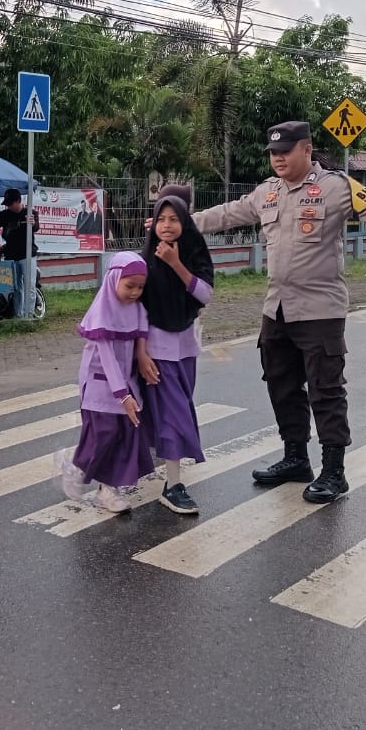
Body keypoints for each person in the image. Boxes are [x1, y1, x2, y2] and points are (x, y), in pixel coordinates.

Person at [186, 120, 366, 504]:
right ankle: (295, 458)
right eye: (273, 153)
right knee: (281, 385)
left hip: (320, 310)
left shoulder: (336, 187)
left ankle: (334, 471)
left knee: (326, 390)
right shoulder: (268, 192)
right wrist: (180, 222)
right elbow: (228, 213)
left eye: (285, 151)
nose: (278, 159)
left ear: (306, 149)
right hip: (277, 308)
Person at [136, 186, 215, 515]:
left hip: (185, 349)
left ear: (185, 221)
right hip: (156, 351)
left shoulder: (195, 251)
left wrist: (177, 264)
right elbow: (137, 310)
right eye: (161, 219)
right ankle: (173, 485)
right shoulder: (144, 260)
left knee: (174, 412)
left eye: (173, 219)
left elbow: (204, 294)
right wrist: (141, 353)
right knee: (174, 415)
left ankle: (117, 477)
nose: (166, 225)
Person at [57, 251, 154, 513]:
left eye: (140, 287)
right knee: (103, 433)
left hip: (126, 382)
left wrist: (141, 355)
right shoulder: (102, 311)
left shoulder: (137, 309)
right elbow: (107, 358)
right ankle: (75, 465)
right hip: (100, 383)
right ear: (113, 280)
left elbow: (142, 332)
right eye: (129, 285)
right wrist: (123, 395)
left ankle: (108, 491)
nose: (135, 292)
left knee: (124, 436)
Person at [0, 188, 39, 261]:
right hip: (10, 256)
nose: (8, 206)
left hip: (27, 256)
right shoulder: (4, 215)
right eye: (7, 204)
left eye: (10, 204)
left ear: (18, 201)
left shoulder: (30, 213)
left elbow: (36, 227)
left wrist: (33, 223)